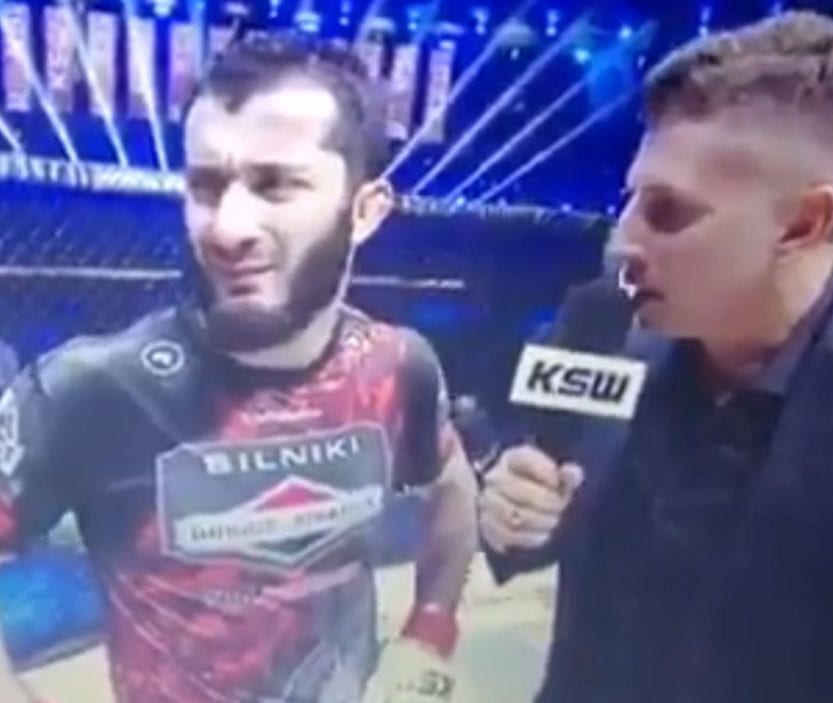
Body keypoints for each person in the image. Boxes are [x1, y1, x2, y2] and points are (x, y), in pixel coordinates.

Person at [480, 11, 833, 703]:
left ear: (803, 222)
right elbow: (534, 518)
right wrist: (512, 511)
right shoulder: (607, 338)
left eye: (668, 211)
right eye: (631, 199)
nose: (622, 242)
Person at [0, 32, 478, 703]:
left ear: (365, 210)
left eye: (276, 185)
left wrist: (430, 630)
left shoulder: (397, 365)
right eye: (205, 185)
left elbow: (452, 489)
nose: (226, 227)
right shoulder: (89, 388)